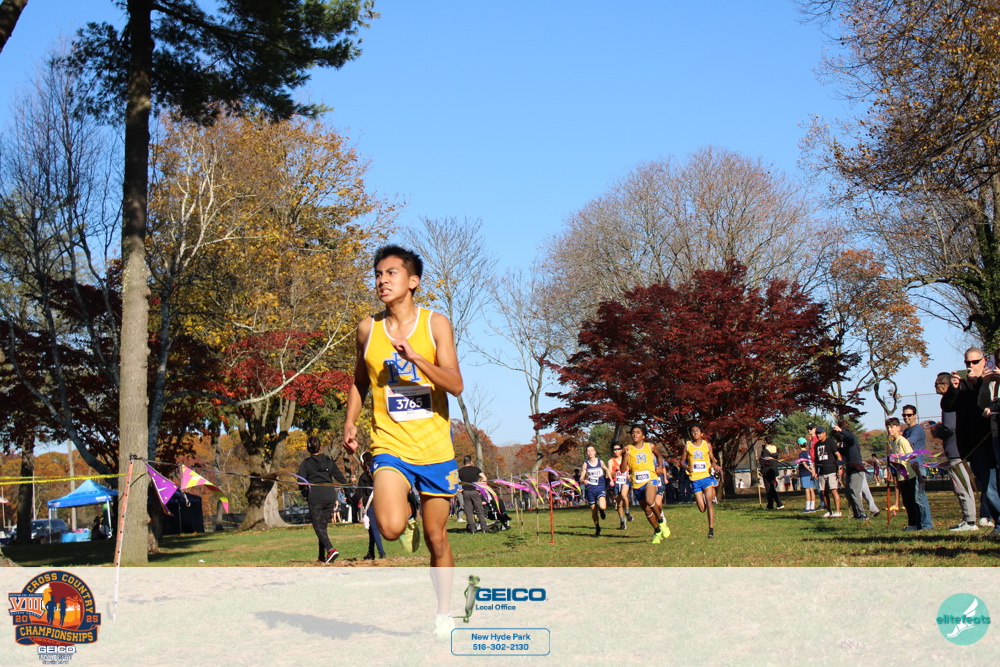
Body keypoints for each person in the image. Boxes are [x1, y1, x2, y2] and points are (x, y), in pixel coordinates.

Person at [343, 244, 464, 638]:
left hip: (435, 450)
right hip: (390, 445)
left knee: (436, 538)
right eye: (378, 274)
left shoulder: (436, 324)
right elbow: (359, 381)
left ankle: (444, 613)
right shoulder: (368, 329)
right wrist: (350, 422)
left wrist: (417, 360)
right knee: (391, 527)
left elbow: (456, 384)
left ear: (413, 281)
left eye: (391, 273)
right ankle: (402, 505)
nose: (382, 280)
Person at [927, 372, 978, 531]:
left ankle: (970, 520)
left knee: (961, 487)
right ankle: (968, 519)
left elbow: (950, 428)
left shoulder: (949, 401)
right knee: (964, 485)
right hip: (961, 448)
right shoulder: (959, 399)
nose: (935, 386)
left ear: (946, 385)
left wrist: (938, 432)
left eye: (937, 383)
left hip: (955, 451)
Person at [297, 436, 348, 563]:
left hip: (316, 497)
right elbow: (339, 477)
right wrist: (348, 490)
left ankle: (330, 549)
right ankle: (322, 556)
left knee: (318, 527)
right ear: (320, 447)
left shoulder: (306, 463)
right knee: (322, 527)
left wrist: (305, 494)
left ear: (308, 448)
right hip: (330, 496)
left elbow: (300, 481)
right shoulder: (328, 461)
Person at [621, 425, 670, 544]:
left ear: (643, 436)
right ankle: (657, 531)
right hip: (637, 483)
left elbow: (659, 456)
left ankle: (661, 522)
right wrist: (626, 456)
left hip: (650, 479)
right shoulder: (627, 449)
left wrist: (659, 466)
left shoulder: (650, 446)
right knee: (647, 511)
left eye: (638, 432)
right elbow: (622, 470)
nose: (635, 434)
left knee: (650, 500)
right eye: (633, 432)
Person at [886, 417, 928, 531]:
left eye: (892, 427)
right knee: (906, 501)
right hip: (901, 476)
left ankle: (917, 524)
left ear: (898, 428)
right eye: (888, 427)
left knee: (912, 501)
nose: (890, 429)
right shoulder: (893, 443)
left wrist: (916, 472)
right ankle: (912, 524)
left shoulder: (902, 441)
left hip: (909, 475)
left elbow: (911, 456)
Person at [685, 425, 721, 538]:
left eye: (697, 431)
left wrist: (714, 464)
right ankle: (707, 498)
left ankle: (711, 530)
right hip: (695, 479)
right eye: (693, 431)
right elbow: (681, 461)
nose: (695, 433)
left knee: (709, 502)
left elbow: (712, 458)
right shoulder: (687, 446)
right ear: (691, 434)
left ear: (701, 434)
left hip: (706, 477)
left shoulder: (707, 445)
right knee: (702, 508)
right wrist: (687, 468)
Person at [901, 404, 933, 529]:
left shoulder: (917, 430)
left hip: (918, 467)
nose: (906, 417)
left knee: (919, 497)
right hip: (909, 468)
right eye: (904, 415)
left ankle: (927, 525)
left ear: (915, 416)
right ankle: (915, 524)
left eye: (909, 415)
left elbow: (907, 444)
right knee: (910, 498)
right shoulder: (906, 431)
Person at [832, 420, 868, 520]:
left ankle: (863, 514)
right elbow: (844, 454)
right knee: (848, 492)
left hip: (857, 468)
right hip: (850, 468)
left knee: (854, 491)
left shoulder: (852, 438)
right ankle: (856, 513)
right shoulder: (845, 443)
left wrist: (841, 430)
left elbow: (851, 436)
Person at [359, 452, 385, 560]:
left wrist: (350, 499)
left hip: (372, 504)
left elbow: (358, 494)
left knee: (374, 528)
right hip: (382, 502)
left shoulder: (364, 476)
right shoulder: (379, 472)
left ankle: (381, 552)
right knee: (371, 529)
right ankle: (371, 552)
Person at [580, 445, 610, 536]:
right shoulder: (586, 464)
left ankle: (601, 510)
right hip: (590, 489)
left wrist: (610, 479)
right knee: (593, 511)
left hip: (600, 487)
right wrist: (583, 480)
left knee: (602, 506)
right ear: (586, 453)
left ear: (595, 452)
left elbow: (607, 469)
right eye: (588, 451)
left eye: (592, 450)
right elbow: (581, 477)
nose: (590, 452)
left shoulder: (600, 462)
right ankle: (597, 527)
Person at [813, 427, 842, 518]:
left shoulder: (830, 442)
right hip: (822, 471)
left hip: (831, 470)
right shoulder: (816, 445)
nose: (818, 435)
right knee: (823, 492)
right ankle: (828, 511)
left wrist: (840, 468)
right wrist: (815, 471)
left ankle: (838, 511)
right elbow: (816, 460)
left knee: (833, 490)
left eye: (820, 433)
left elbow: (838, 455)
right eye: (817, 433)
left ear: (824, 433)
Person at [458, 455, 488, 534]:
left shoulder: (460, 471)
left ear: (464, 462)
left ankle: (472, 529)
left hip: (466, 492)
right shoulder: (476, 469)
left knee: (468, 511)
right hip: (475, 491)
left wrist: (459, 489)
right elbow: (484, 478)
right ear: (471, 461)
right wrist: (480, 486)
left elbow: (454, 481)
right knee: (479, 510)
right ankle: (484, 528)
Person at [608, 443, 633, 529]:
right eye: (615, 449)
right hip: (616, 482)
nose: (616, 451)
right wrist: (616, 471)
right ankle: (622, 520)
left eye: (618, 449)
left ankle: (627, 512)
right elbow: (609, 473)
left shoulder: (626, 458)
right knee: (619, 504)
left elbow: (631, 469)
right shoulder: (611, 461)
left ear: (622, 449)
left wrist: (630, 475)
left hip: (625, 480)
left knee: (624, 494)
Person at [758, 436, 784, 510]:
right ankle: (774, 504)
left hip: (767, 471)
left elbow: (765, 462)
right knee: (771, 488)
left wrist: (760, 462)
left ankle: (775, 504)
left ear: (765, 441)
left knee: (769, 488)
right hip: (773, 470)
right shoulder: (775, 450)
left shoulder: (765, 451)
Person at [796, 437, 817, 513]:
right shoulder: (808, 453)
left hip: (805, 473)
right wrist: (813, 472)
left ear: (799, 444)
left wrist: (810, 471)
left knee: (807, 490)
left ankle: (808, 508)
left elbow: (804, 464)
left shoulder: (801, 454)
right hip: (811, 473)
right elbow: (812, 463)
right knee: (812, 489)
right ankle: (812, 507)